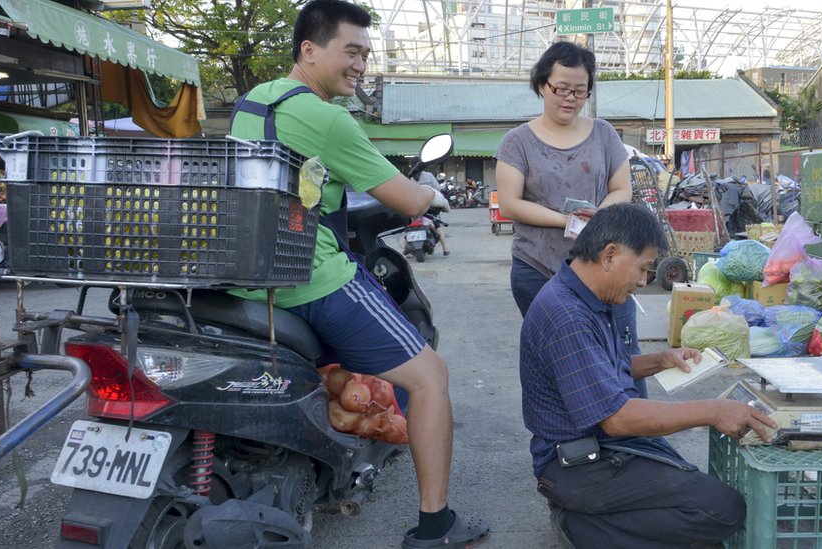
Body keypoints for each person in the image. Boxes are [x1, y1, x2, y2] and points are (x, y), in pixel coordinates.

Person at [228, 2, 487, 547]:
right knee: (430, 376)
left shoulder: (255, 101)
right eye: (351, 51)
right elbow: (407, 195)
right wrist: (433, 193)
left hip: (247, 275)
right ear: (310, 50)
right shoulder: (328, 118)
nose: (360, 65)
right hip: (312, 278)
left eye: (366, 54)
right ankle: (436, 524)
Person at [520, 203, 776, 549]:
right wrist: (714, 411)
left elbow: (601, 368)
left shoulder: (588, 296)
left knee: (690, 488)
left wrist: (659, 360)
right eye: (641, 269)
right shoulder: (568, 316)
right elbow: (617, 419)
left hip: (598, 447)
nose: (643, 281)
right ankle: (579, 526)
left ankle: (599, 518)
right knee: (721, 510)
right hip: (575, 464)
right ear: (609, 255)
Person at [494, 41, 645, 394]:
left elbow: (622, 189)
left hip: (603, 269)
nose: (570, 97)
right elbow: (511, 204)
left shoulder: (604, 133)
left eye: (580, 90)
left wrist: (600, 215)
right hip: (537, 268)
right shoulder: (518, 141)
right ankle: (568, 444)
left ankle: (634, 437)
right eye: (560, 88)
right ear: (542, 85)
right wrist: (566, 221)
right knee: (558, 362)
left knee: (622, 356)